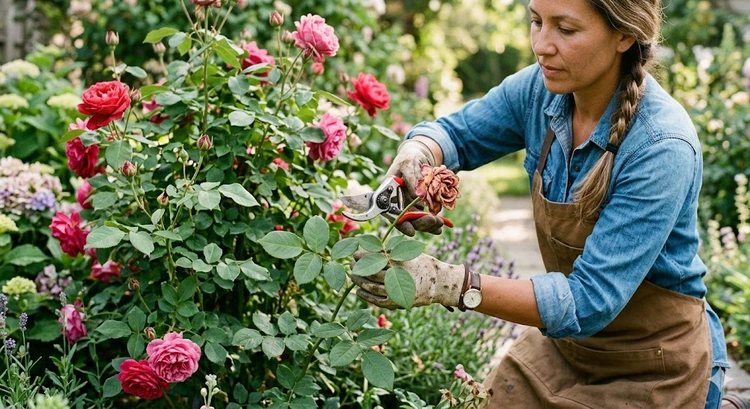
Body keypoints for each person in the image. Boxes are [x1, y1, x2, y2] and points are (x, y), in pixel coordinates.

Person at [349, 0, 742, 407]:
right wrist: (419, 154)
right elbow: (458, 135)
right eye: (536, 21)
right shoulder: (541, 91)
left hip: (657, 365)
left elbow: (588, 302)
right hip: (568, 350)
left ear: (624, 35)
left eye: (565, 29)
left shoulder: (661, 146)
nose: (541, 44)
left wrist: (451, 284)